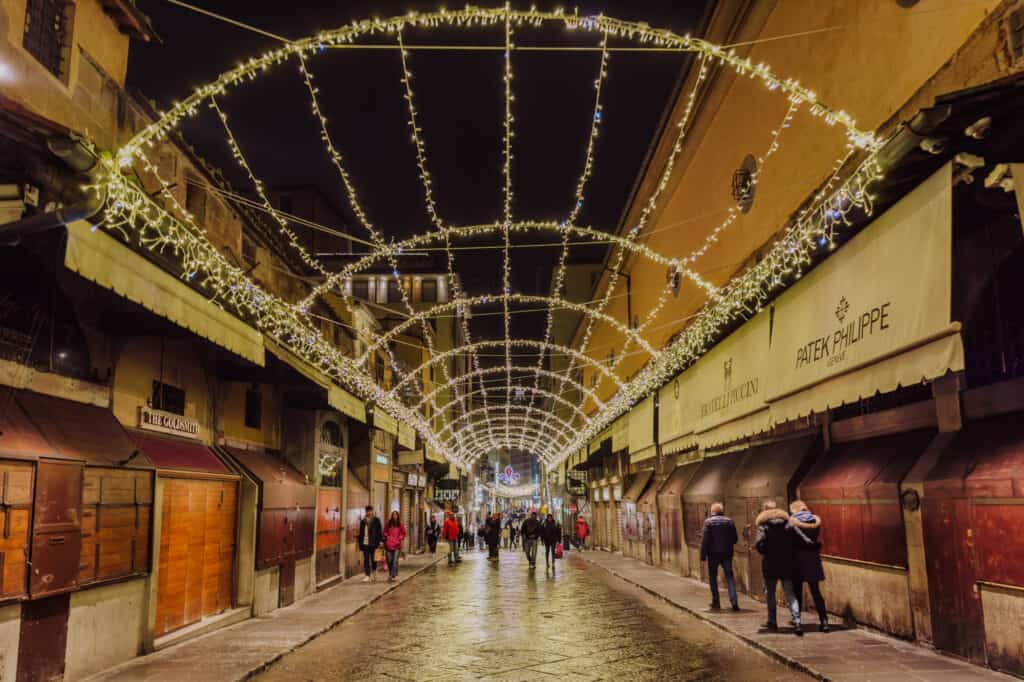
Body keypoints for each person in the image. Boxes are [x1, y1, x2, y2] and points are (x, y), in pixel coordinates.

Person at [755, 500, 802, 636]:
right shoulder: (788, 524)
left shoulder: (763, 526)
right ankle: (797, 621)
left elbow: (759, 543)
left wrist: (765, 551)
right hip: (787, 564)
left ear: (765, 511)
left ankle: (772, 622)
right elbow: (798, 538)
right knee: (790, 593)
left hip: (770, 564)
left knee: (770, 593)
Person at [789, 500, 830, 632]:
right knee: (816, 592)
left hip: (797, 561)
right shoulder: (815, 521)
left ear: (794, 510)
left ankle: (797, 622)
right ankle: (824, 621)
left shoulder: (792, 522)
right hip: (813, 559)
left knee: (797, 592)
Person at [699, 502, 740, 611]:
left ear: (712, 511)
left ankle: (716, 601)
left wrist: (703, 556)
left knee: (713, 577)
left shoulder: (708, 522)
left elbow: (705, 541)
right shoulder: (729, 521)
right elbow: (735, 539)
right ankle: (734, 602)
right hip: (727, 554)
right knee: (729, 577)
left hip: (713, 555)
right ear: (722, 511)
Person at [357, 506, 383, 583]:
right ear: (366, 512)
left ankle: (374, 572)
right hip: (365, 543)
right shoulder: (363, 521)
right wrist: (360, 542)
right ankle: (367, 575)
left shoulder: (376, 520)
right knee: (366, 560)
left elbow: (379, 532)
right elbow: (361, 533)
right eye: (367, 511)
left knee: (373, 559)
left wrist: (380, 541)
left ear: (372, 511)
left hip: (374, 543)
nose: (369, 512)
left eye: (370, 511)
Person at [383, 510, 406, 582]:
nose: (394, 516)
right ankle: (390, 573)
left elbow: (404, 533)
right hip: (389, 545)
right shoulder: (388, 524)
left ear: (398, 516)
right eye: (393, 515)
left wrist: (400, 538)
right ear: (392, 516)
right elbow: (384, 532)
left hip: (397, 545)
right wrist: (387, 536)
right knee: (389, 560)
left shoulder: (400, 524)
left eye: (396, 515)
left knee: (395, 560)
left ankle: (393, 575)